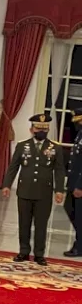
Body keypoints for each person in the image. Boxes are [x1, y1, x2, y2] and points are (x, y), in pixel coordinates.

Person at [2, 114, 65, 266]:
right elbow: (13, 167)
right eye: (38, 128)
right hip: (24, 191)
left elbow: (59, 170)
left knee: (41, 225)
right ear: (32, 129)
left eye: (45, 129)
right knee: (24, 223)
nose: (41, 131)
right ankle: (24, 251)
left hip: (44, 193)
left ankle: (39, 254)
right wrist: (7, 185)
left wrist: (59, 190)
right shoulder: (22, 146)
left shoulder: (55, 147)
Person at [64, 108, 82, 258]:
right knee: (70, 208)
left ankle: (80, 245)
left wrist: (79, 186)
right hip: (74, 181)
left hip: (79, 184)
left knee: (78, 214)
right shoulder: (80, 135)